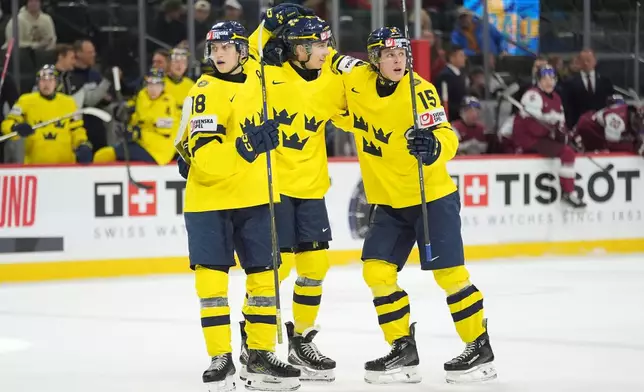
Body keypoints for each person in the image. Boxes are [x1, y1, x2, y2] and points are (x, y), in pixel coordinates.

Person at [330, 26, 497, 385]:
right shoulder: (356, 78)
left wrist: (433, 146)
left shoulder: (418, 91)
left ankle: (479, 347)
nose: (397, 59)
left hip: (430, 198)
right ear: (373, 60)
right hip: (389, 203)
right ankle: (402, 349)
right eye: (388, 54)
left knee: (449, 275)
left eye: (402, 52)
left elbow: (447, 136)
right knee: (376, 272)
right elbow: (328, 59)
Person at [177, 18, 309, 392]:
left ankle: (261, 354)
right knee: (212, 283)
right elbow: (204, 160)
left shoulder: (257, 76)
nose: (219, 54)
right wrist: (247, 147)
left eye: (226, 47)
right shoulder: (205, 90)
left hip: (255, 196)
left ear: (241, 51)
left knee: (265, 279)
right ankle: (221, 357)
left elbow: (263, 45)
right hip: (210, 200)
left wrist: (272, 21)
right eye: (214, 48)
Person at [242, 12, 345, 382]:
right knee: (273, 271)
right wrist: (267, 24)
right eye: (318, 44)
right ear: (298, 49)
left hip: (312, 188)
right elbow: (243, 55)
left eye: (325, 43)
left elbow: (357, 108)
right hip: (274, 189)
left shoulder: (331, 84)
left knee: (315, 269)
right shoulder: (268, 77)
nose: (325, 50)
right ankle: (255, 343)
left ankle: (300, 340)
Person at [511, 64, 586, 208]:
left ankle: (567, 190)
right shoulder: (532, 96)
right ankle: (568, 192)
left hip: (542, 137)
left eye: (551, 78)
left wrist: (569, 136)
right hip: (529, 139)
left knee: (570, 148)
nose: (549, 82)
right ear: (538, 80)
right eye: (544, 78)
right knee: (567, 153)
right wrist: (555, 133)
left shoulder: (556, 98)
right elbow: (532, 127)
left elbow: (560, 123)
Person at [1, 65, 92, 164]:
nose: (46, 84)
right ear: (37, 83)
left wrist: (82, 144)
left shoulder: (69, 103)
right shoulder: (26, 101)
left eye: (51, 80)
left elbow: (77, 129)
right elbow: (7, 124)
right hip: (35, 165)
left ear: (57, 82)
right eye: (42, 80)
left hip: (65, 165)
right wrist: (15, 127)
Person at [93, 68, 179, 165]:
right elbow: (135, 113)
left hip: (157, 150)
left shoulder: (167, 101)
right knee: (102, 154)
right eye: (150, 83)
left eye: (157, 84)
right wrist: (124, 112)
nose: (153, 88)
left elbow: (162, 125)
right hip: (142, 145)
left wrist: (137, 131)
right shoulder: (143, 96)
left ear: (163, 86)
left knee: (106, 155)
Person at [575, 94, 644, 155]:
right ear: (639, 117)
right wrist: (634, 146)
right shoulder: (617, 119)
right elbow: (612, 145)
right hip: (588, 127)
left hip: (597, 125)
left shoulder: (631, 115)